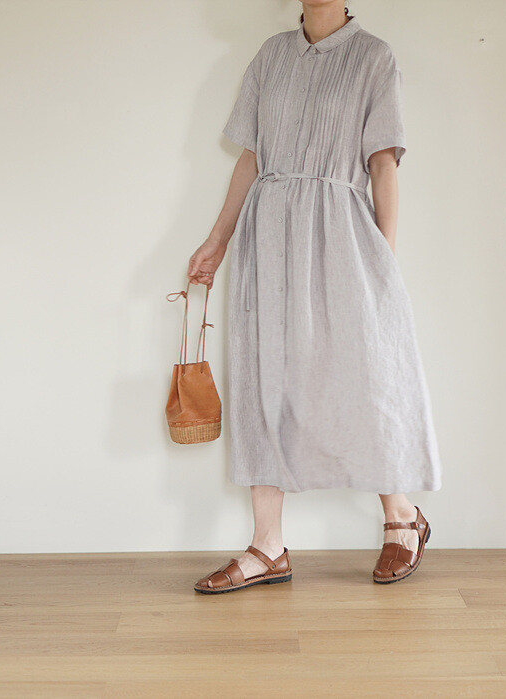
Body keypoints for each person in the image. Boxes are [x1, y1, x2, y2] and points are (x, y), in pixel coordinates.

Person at [187, 1, 442, 594]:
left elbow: (383, 164)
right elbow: (251, 157)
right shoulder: (271, 55)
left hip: (342, 233)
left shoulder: (374, 57)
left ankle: (401, 515)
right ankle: (267, 545)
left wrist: (383, 261)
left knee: (363, 374)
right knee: (264, 379)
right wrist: (217, 240)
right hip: (268, 233)